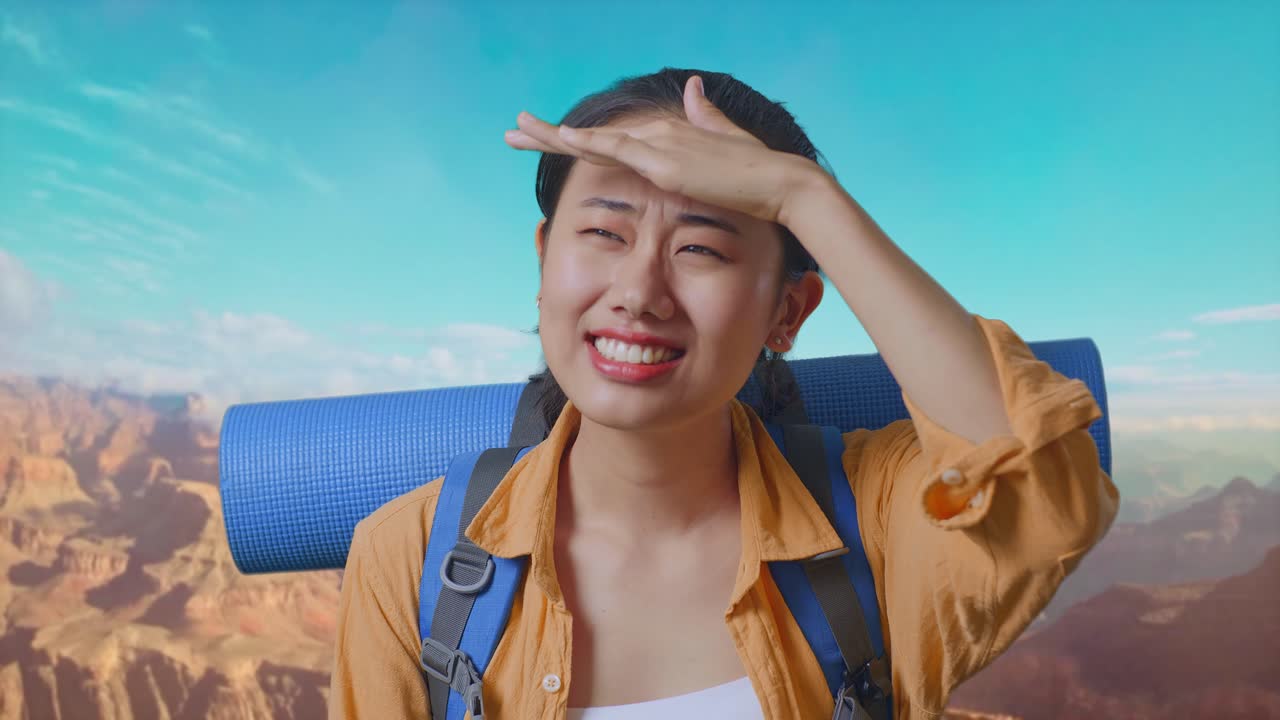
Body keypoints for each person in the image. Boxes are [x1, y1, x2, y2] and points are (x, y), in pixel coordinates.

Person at [328, 67, 1119, 719]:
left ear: (788, 311)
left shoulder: (871, 528)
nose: (639, 292)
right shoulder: (408, 561)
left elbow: (1042, 490)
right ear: (544, 262)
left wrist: (804, 199)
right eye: (606, 232)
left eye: (702, 246)